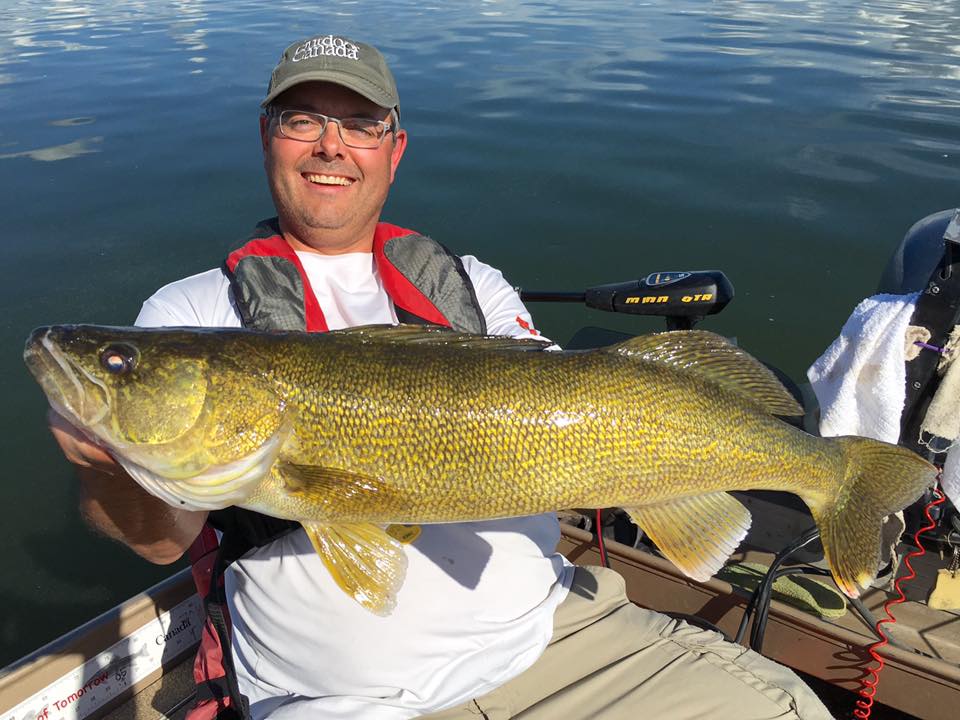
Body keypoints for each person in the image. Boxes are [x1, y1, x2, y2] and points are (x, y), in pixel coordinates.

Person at [49, 33, 834, 720]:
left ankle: (838, 479)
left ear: (394, 149)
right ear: (268, 139)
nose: (331, 144)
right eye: (303, 120)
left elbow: (582, 409)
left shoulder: (471, 284)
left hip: (559, 638)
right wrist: (108, 470)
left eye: (360, 124)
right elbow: (161, 543)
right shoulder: (191, 310)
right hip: (339, 694)